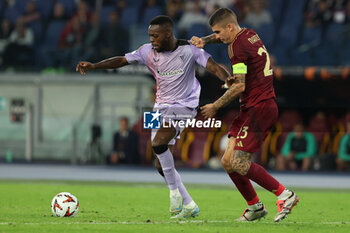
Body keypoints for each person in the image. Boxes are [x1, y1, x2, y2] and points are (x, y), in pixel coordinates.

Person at [76, 15, 232, 219]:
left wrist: (228, 78)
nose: (151, 40)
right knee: (159, 163)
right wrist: (95, 66)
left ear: (168, 35)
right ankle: (189, 204)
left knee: (159, 143)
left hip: (185, 105)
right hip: (159, 107)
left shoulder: (189, 50)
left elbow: (213, 66)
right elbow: (122, 60)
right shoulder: (146, 51)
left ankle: (174, 194)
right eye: (150, 36)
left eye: (155, 36)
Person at [190, 8, 299, 222]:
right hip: (251, 106)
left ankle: (285, 195)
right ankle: (255, 207)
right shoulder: (249, 33)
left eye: (218, 32)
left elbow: (240, 86)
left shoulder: (236, 46)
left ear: (229, 27)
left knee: (239, 162)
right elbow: (242, 78)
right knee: (228, 161)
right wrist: (204, 40)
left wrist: (215, 106)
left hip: (260, 107)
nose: (218, 37)